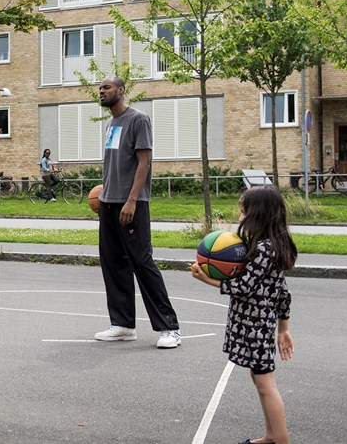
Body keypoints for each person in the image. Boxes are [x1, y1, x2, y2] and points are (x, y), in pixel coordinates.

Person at [190, 186, 297, 444]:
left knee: (265, 382)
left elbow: (244, 287)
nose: (240, 219)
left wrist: (207, 279)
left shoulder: (263, 249)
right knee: (259, 377)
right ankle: (271, 436)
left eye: (243, 213)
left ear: (258, 214)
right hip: (257, 325)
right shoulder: (272, 244)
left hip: (255, 326)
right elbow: (283, 293)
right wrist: (283, 329)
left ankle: (281, 440)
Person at [94, 76, 182, 348]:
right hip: (108, 203)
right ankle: (122, 325)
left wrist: (131, 200)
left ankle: (170, 328)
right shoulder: (110, 124)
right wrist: (104, 198)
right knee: (113, 263)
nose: (101, 91)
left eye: (106, 87)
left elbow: (144, 163)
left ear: (120, 91)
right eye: (99, 88)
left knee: (142, 263)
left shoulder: (138, 119)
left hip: (131, 203)